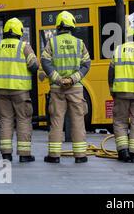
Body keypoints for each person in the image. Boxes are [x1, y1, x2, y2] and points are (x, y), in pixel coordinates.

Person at [41, 11, 91, 164]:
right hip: (75, 88)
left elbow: (45, 61)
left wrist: (58, 79)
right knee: (78, 120)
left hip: (57, 89)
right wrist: (73, 79)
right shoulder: (79, 43)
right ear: (71, 26)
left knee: (57, 121)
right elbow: (86, 64)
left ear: (58, 26)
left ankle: (54, 156)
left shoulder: (52, 42)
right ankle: (80, 155)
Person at [0, 18, 39, 163]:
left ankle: (6, 154)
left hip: (1, 90)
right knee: (23, 120)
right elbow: (34, 65)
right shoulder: (24, 46)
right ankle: (24, 154)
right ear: (19, 31)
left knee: (5, 120)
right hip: (20, 90)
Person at [108, 25, 134, 163]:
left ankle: (123, 152)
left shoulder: (118, 50)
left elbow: (110, 72)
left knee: (120, 121)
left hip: (121, 92)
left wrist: (112, 89)